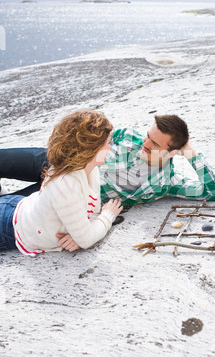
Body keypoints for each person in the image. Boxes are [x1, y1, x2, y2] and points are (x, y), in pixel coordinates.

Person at [0, 114, 215, 207]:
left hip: (68, 190)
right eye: (148, 135)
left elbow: (213, 192)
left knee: (5, 205)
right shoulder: (129, 135)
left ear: (173, 152)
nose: (145, 143)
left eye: (155, 144)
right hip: (53, 160)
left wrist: (192, 153)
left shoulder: (167, 183)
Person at [0, 109, 123, 256]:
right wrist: (108, 216)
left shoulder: (90, 169)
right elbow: (87, 238)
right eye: (107, 143)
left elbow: (91, 215)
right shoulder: (65, 183)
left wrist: (78, 235)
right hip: (7, 224)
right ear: (92, 149)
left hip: (19, 207)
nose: (110, 147)